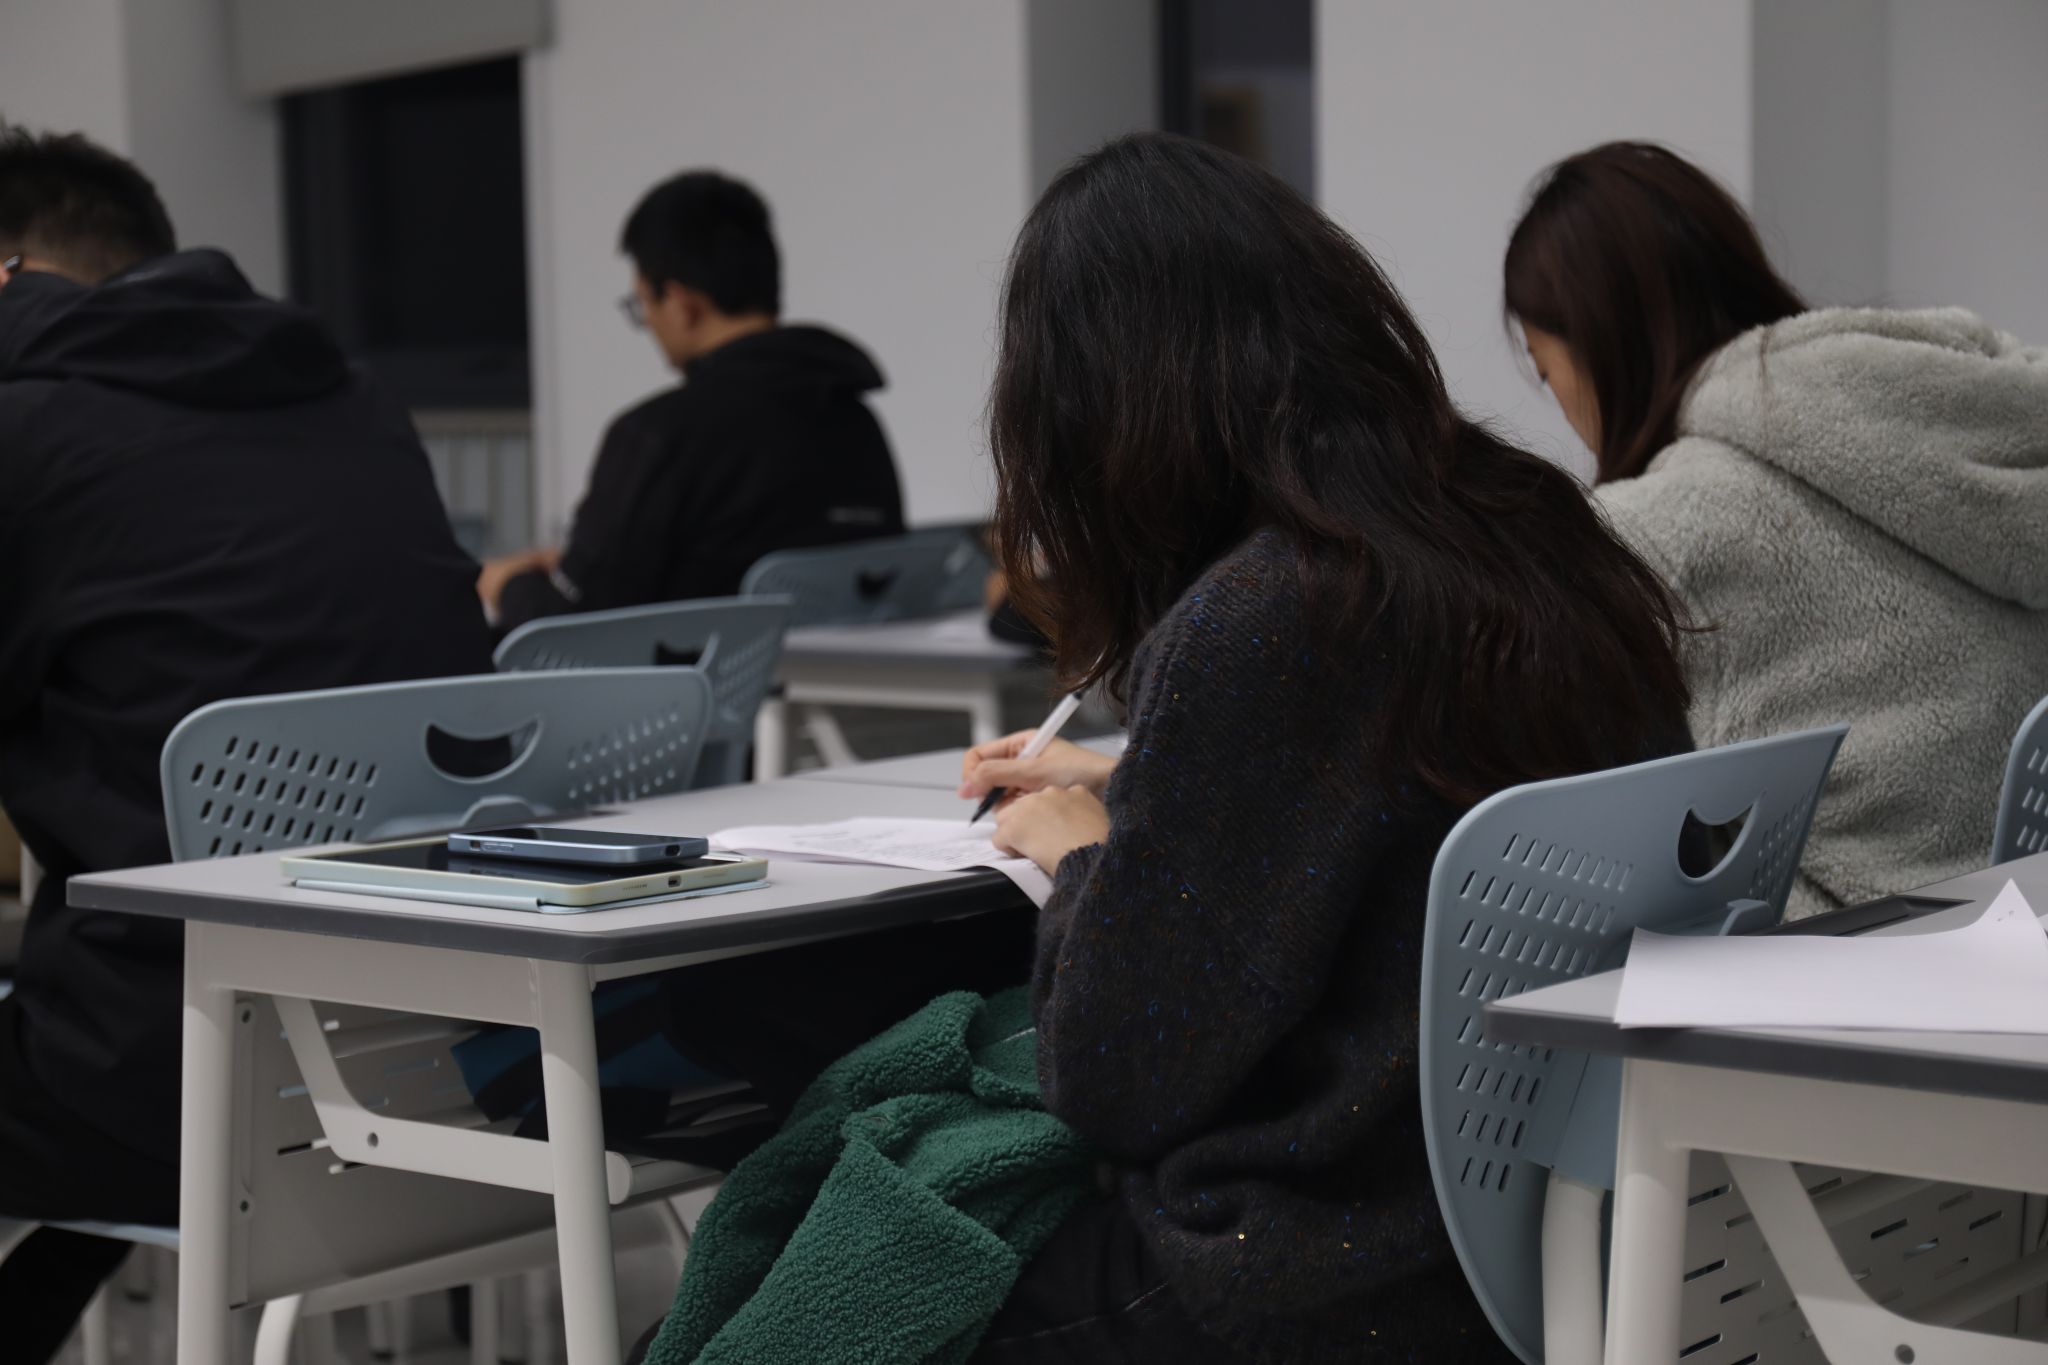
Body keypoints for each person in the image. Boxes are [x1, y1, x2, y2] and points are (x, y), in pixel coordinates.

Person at [936, 134, 1690, 1362]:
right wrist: (1141, 778)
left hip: (1317, 1261)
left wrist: (1083, 858)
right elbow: (1385, 815)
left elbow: (1118, 1080)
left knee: (851, 1263)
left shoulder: (1267, 616)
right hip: (1562, 1236)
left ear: (1095, 407)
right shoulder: (1530, 527)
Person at [0, 126, 494, 1360]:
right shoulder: (355, 401)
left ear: (9, 277)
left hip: (166, 1085)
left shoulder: (27, 431)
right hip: (439, 1060)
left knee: (114, 1001)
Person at [1504, 141, 2048, 917]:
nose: (1556, 399)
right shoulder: (1963, 403)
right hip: (2028, 922)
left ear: (1598, 343)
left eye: (1543, 366)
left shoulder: (1653, 537)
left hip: (1861, 962)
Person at [483, 170, 905, 631]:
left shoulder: (659, 436)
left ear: (681, 303)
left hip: (691, 678)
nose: (648, 323)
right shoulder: (857, 422)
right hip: (829, 676)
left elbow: (576, 634)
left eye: (642, 305)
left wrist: (507, 584)